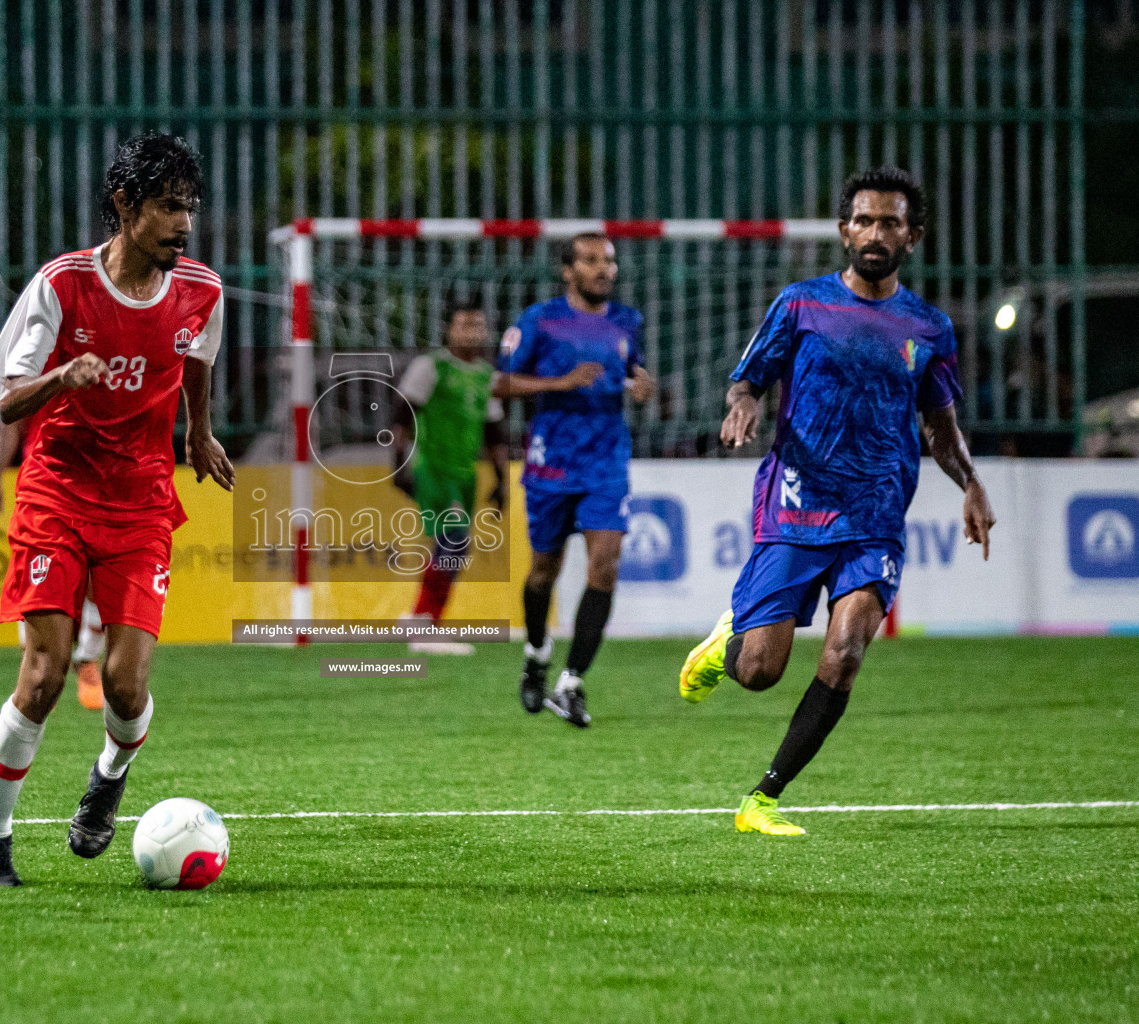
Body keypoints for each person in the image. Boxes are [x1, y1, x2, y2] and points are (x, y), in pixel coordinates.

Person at [678, 167, 995, 836]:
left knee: (846, 649)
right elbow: (747, 382)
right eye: (864, 220)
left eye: (890, 223)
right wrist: (742, 409)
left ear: (913, 236)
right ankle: (725, 643)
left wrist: (969, 481)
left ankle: (761, 800)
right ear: (844, 229)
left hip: (877, 514)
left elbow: (939, 427)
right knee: (761, 671)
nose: (876, 233)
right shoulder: (800, 304)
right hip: (796, 503)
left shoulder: (929, 329)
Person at [0, 131, 233, 886]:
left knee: (125, 685)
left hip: (142, 498)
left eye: (190, 208)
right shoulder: (62, 285)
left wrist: (200, 433)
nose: (184, 224)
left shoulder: (201, 290)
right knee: (46, 672)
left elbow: (198, 357)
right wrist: (62, 379)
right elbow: (8, 400)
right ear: (124, 205)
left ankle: (110, 778)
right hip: (58, 488)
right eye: (168, 208)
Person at [493, 233, 656, 727]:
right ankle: (537, 653)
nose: (604, 268)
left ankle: (571, 683)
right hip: (551, 465)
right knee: (543, 571)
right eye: (591, 260)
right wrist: (558, 383)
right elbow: (499, 381)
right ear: (568, 270)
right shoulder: (540, 319)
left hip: (606, 462)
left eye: (609, 260)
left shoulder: (628, 320)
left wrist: (643, 383)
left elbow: (635, 370)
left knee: (604, 568)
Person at [391, 295, 507, 655]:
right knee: (454, 541)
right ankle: (426, 623)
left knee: (451, 544)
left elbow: (494, 433)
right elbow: (402, 415)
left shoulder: (488, 376)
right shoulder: (432, 367)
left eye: (478, 325)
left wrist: (501, 479)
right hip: (433, 467)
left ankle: (419, 618)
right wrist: (398, 463)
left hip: (464, 473)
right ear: (450, 329)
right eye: (464, 325)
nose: (472, 332)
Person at [0, 415, 108, 711]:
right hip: (45, 489)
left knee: (101, 577)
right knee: (40, 600)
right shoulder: (27, 370)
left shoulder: (102, 370)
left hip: (101, 482)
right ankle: (37, 660)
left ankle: (88, 658)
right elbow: (9, 418)